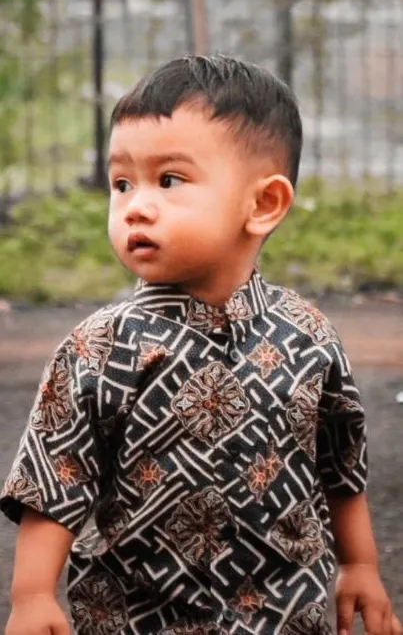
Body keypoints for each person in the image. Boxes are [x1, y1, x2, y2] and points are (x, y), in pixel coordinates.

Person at [1, 56, 400, 635]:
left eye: (169, 180)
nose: (136, 205)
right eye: (121, 183)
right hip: (137, 617)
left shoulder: (308, 336)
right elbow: (56, 477)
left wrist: (359, 564)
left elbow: (340, 462)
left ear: (263, 204)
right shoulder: (97, 349)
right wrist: (32, 595)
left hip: (285, 614)